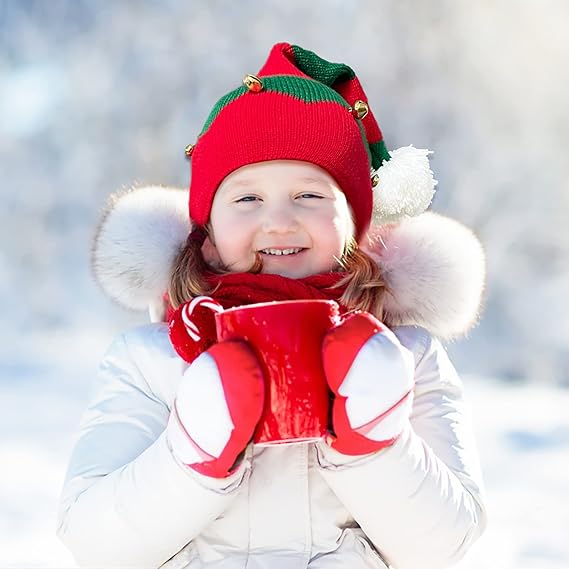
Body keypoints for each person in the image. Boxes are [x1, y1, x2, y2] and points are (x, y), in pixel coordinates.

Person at [57, 42, 487, 569]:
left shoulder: (409, 357)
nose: (279, 221)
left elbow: (447, 546)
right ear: (208, 236)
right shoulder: (150, 361)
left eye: (310, 195)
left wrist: (375, 442)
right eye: (246, 198)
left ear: (355, 228)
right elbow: (93, 543)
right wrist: (192, 454)